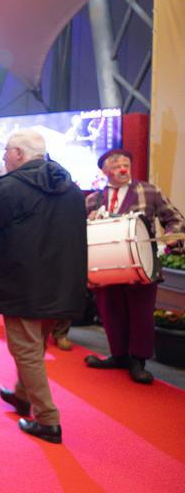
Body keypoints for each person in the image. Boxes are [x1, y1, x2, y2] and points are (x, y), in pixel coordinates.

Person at [0, 129, 87, 445]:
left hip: (22, 282)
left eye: (7, 151)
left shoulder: (10, 186)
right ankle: (22, 395)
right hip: (61, 283)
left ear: (19, 154)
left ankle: (48, 420)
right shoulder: (71, 188)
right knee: (36, 345)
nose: (4, 157)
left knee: (26, 350)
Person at [83, 149, 185, 384]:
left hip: (142, 263)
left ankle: (138, 361)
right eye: (116, 164)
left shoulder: (148, 191)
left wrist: (170, 238)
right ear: (104, 171)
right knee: (110, 311)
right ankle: (118, 356)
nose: (123, 168)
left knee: (140, 313)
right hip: (105, 267)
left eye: (126, 163)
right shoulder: (92, 200)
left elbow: (175, 219)